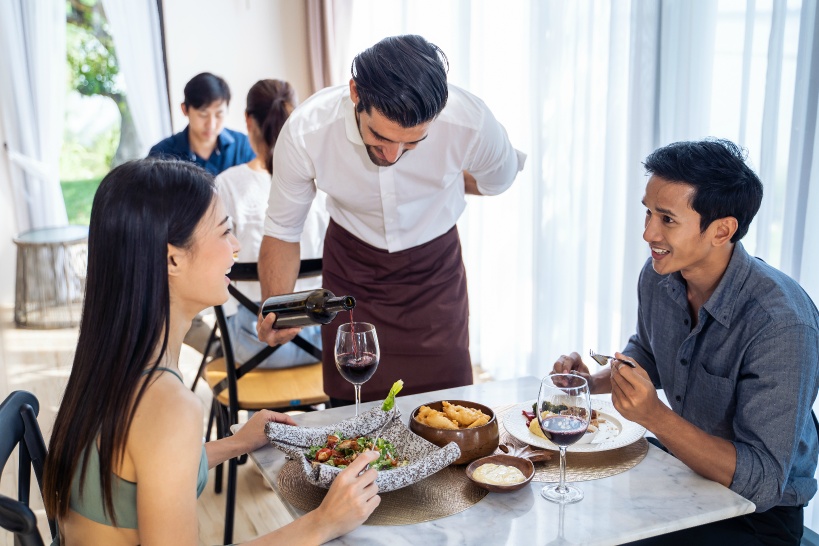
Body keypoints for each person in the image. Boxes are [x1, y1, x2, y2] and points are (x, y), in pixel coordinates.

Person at [42, 159, 380, 545]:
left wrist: (237, 442)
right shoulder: (168, 406)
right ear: (172, 259)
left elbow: (141, 468)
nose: (235, 247)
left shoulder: (110, 364)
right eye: (224, 232)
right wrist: (322, 522)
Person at [552, 139, 819, 545]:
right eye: (647, 212)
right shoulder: (660, 275)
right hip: (681, 469)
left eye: (667, 219)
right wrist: (592, 381)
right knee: (561, 504)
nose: (647, 232)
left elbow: (763, 481)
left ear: (722, 230)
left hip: (755, 516)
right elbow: (651, 354)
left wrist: (654, 416)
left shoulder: (781, 325)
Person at [256, 35, 525, 405]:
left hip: (434, 276)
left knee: (447, 409)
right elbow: (283, 230)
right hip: (353, 271)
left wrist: (447, 180)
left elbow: (499, 180)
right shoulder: (306, 131)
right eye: (379, 137)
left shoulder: (471, 122)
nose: (393, 155)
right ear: (355, 93)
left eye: (412, 143)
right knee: (352, 411)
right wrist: (278, 309)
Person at [215, 79, 328, 368]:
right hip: (322, 345)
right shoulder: (322, 182)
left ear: (248, 120)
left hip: (253, 346)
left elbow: (220, 268)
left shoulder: (228, 184)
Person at [149, 72, 255, 176]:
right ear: (185, 109)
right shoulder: (161, 155)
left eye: (219, 115)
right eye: (203, 115)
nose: (211, 125)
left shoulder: (244, 147)